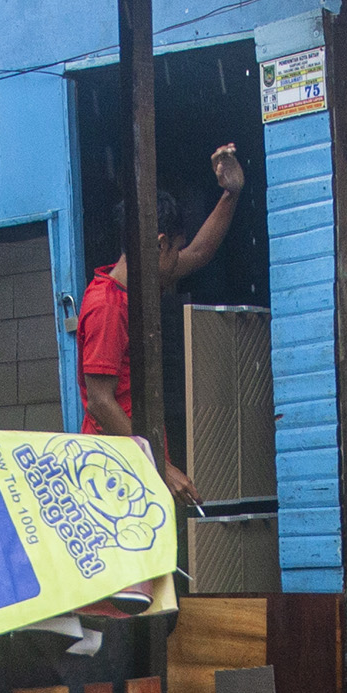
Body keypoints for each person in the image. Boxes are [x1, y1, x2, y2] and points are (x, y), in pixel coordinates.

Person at [76, 142, 246, 494]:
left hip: (136, 465)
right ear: (158, 244)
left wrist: (231, 193)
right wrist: (162, 466)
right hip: (113, 471)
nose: (179, 259)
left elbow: (200, 252)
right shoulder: (107, 304)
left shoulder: (140, 286)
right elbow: (100, 402)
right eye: (175, 249)